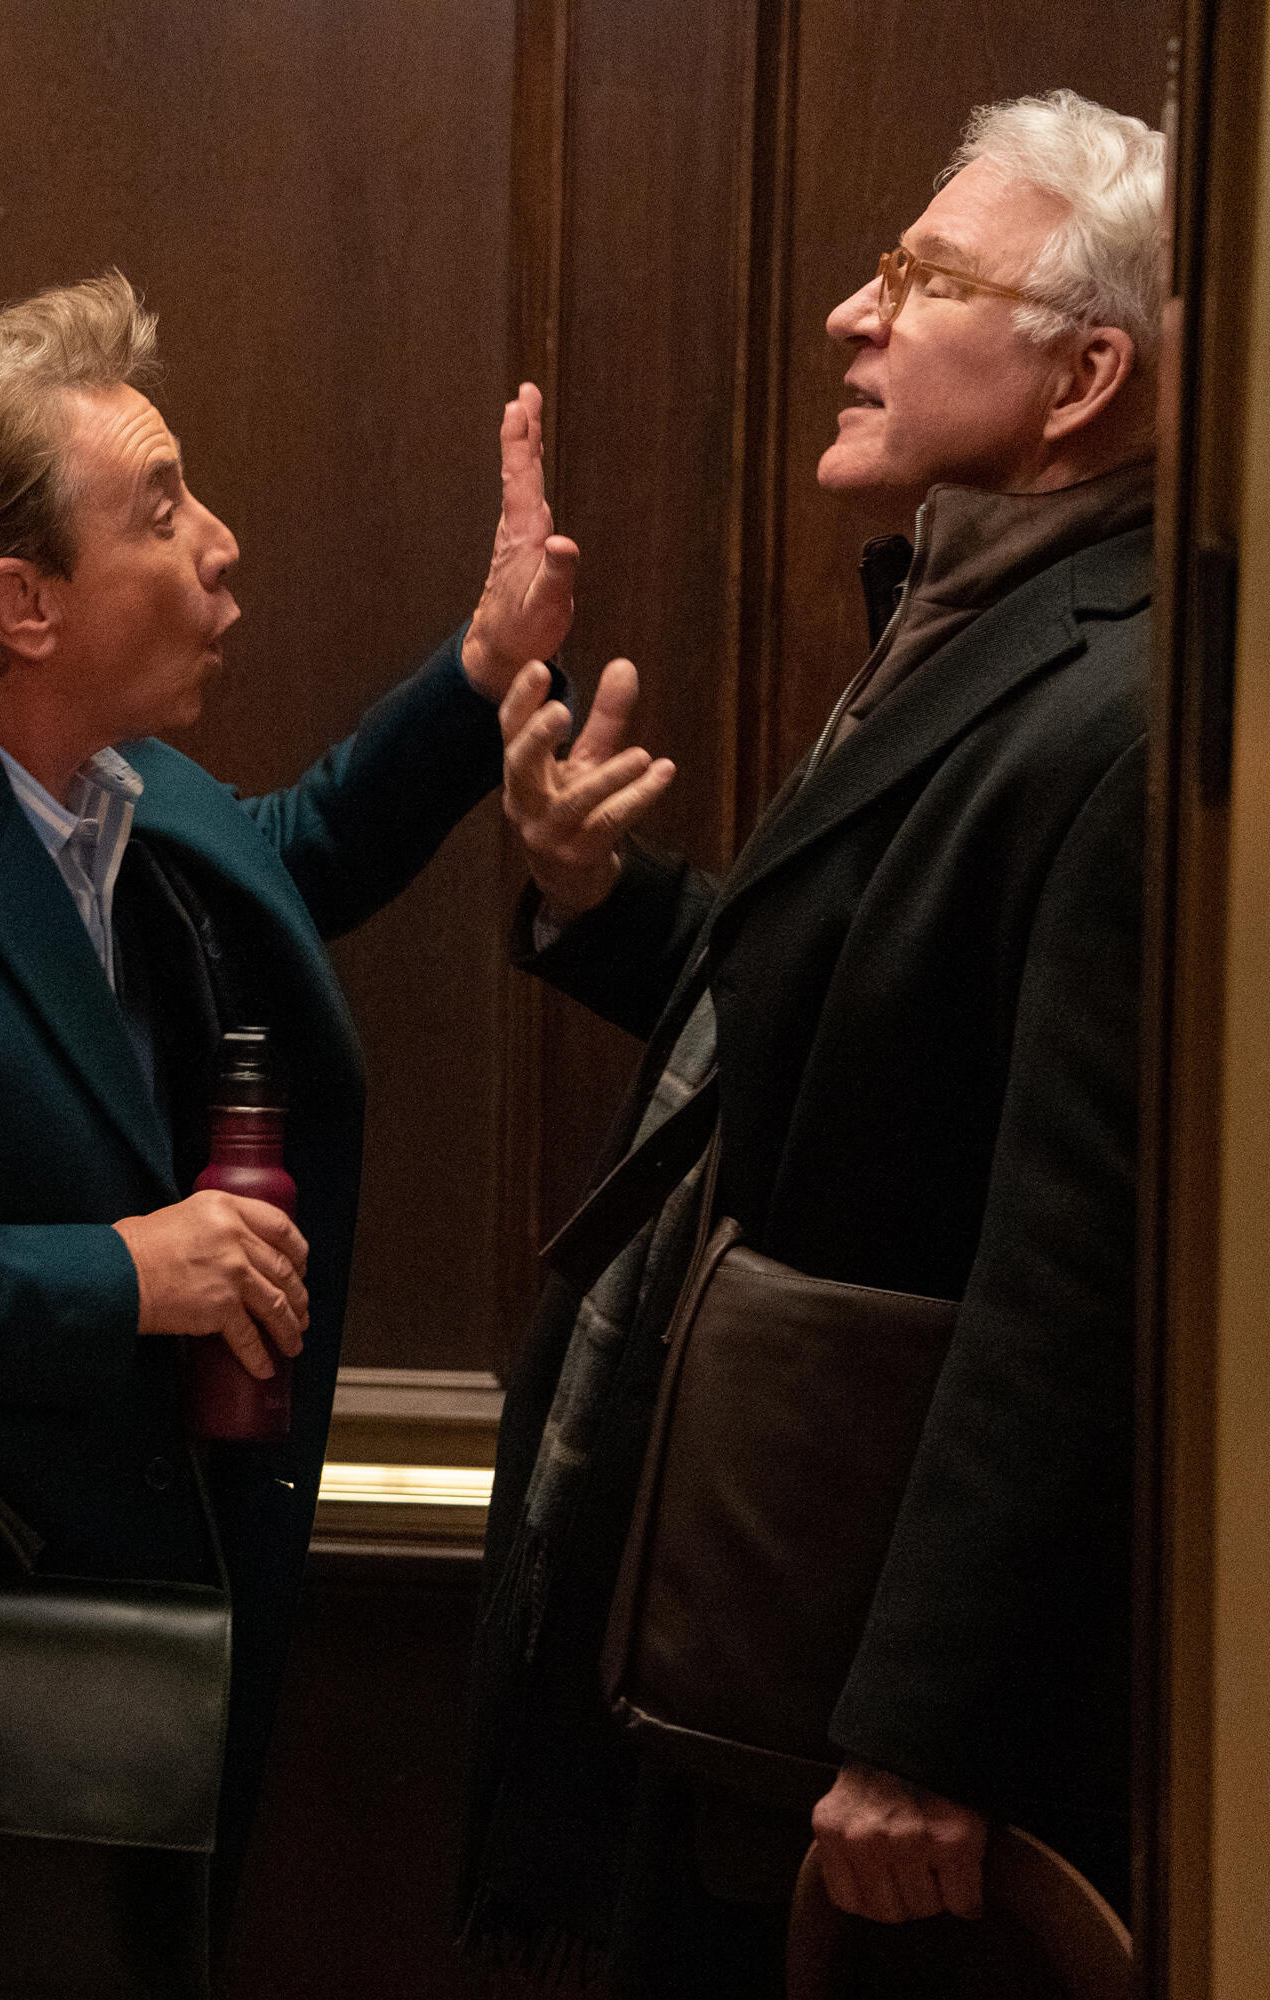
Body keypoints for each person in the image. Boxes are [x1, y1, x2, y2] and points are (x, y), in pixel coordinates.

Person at [0, 271, 580, 1943]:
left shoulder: (87, 778)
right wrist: (127, 1273)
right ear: (22, 604)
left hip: (97, 1653)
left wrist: (480, 670)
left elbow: (280, 868)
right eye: (162, 509)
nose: (220, 541)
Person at [462, 91, 1161, 1995]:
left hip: (866, 1716)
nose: (855, 320)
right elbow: (845, 1048)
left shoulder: (1122, 703)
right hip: (752, 1652)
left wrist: (928, 1724)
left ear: (1084, 373)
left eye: (917, 278)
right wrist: (606, 902)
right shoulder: (966, 606)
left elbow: (1068, 1271)